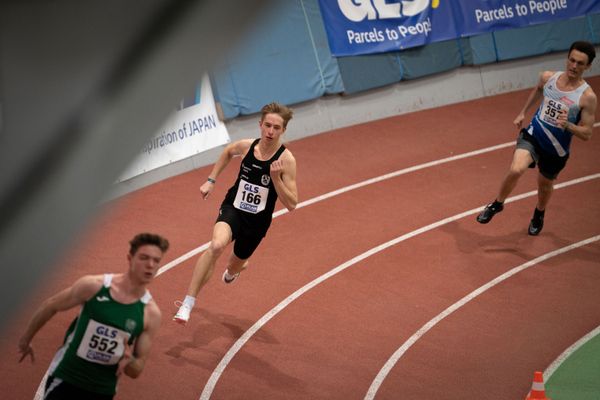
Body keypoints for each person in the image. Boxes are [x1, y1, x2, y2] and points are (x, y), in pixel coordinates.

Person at [173, 102, 298, 325]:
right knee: (216, 245)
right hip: (234, 207)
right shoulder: (247, 146)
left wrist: (276, 178)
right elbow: (228, 151)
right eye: (267, 125)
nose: (270, 131)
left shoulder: (286, 160)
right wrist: (211, 180)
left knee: (235, 263)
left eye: (276, 128)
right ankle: (187, 303)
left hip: (257, 222)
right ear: (260, 125)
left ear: (283, 130)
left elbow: (292, 204)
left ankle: (237, 268)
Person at [18, 233, 169, 400]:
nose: (150, 265)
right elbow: (51, 305)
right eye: (144, 258)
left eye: (156, 261)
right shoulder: (94, 286)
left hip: (103, 389)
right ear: (130, 258)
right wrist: (26, 339)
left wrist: (129, 360)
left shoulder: (150, 313)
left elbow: (137, 369)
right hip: (66, 377)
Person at [476, 41, 597, 235]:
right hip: (535, 134)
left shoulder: (587, 97)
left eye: (580, 63)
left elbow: (587, 133)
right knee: (516, 169)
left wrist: (569, 125)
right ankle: (497, 204)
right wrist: (523, 112)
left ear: (588, 66)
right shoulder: (548, 77)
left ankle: (539, 213)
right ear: (567, 59)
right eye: (572, 60)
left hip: (557, 149)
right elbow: (539, 90)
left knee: (545, 186)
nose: (574, 66)